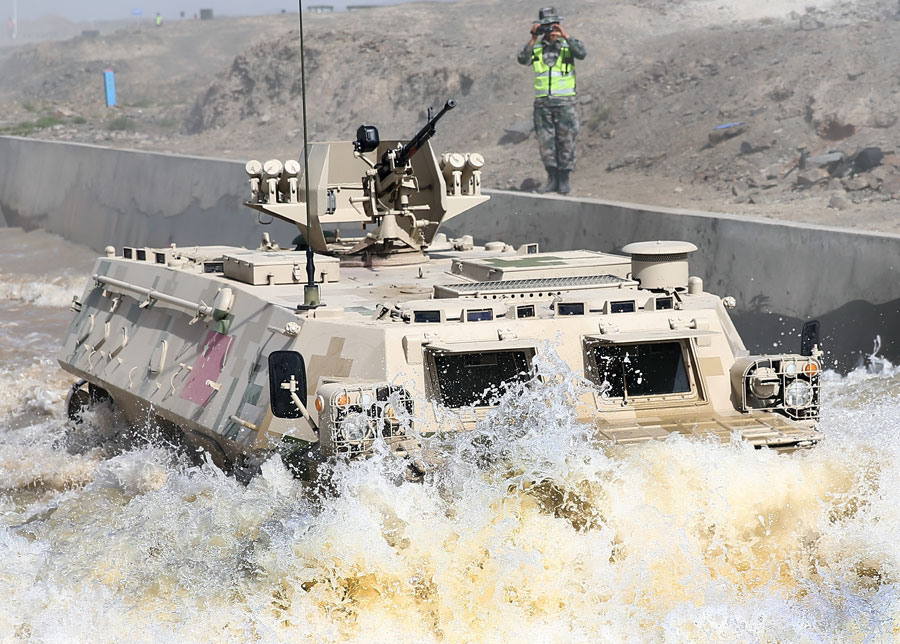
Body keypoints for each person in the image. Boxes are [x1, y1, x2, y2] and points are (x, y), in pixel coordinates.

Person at [517, 7, 586, 195]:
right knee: (546, 143)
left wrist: (565, 35)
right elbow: (522, 59)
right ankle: (552, 179)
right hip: (543, 105)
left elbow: (582, 53)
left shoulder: (567, 46)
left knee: (567, 141)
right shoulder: (537, 48)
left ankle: (564, 180)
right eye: (546, 26)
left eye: (553, 26)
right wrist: (533, 38)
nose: (550, 31)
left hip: (565, 103)